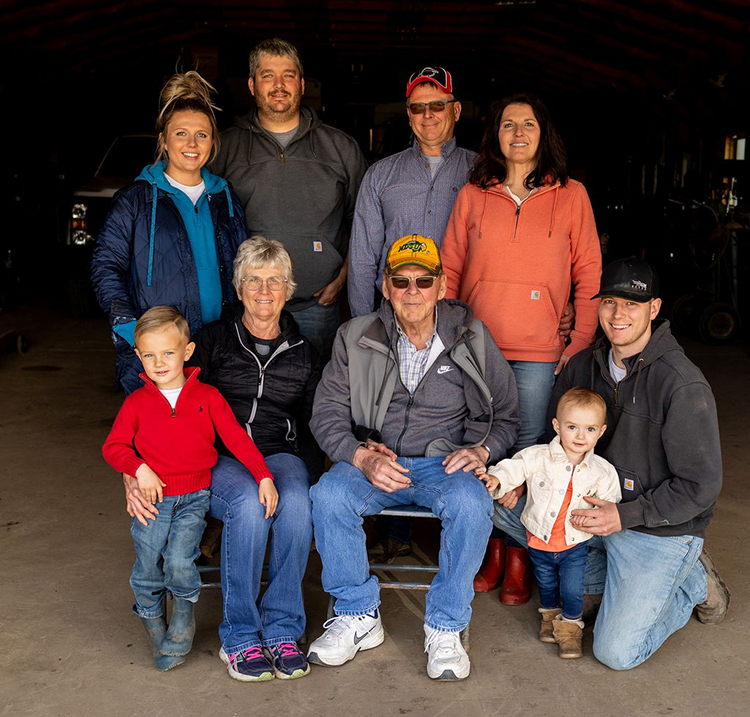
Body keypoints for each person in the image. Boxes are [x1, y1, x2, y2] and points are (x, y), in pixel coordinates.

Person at [493, 257, 731, 670]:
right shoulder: (583, 366)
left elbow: (701, 485)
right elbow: (557, 442)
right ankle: (613, 581)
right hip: (586, 512)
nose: (618, 315)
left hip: (654, 527)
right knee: (493, 498)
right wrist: (524, 481)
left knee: (615, 652)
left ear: (654, 309)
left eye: (632, 304)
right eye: (609, 302)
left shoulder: (681, 383)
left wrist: (625, 516)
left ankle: (691, 581)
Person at [307, 235, 520, 681]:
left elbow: (505, 415)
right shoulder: (356, 334)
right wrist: (360, 456)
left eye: (424, 281)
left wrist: (482, 450)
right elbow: (325, 413)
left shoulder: (473, 337)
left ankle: (445, 625)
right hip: (376, 459)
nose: (412, 291)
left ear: (442, 286)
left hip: (443, 465)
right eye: (400, 281)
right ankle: (358, 614)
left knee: (471, 503)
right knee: (328, 495)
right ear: (385, 286)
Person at [125, 238, 320, 682]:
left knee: (297, 502)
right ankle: (241, 636)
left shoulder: (306, 352)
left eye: (274, 281)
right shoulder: (212, 340)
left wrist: (316, 473)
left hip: (279, 451)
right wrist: (135, 471)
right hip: (216, 456)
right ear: (238, 287)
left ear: (289, 289)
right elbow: (159, 404)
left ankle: (284, 629)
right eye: (253, 280)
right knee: (250, 504)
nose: (264, 290)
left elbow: (312, 421)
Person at [441, 93, 602, 603]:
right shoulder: (472, 194)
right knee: (480, 450)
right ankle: (491, 550)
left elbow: (589, 273)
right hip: (476, 349)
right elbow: (449, 267)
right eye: (507, 124)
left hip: (538, 351)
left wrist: (577, 342)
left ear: (542, 133)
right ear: (494, 135)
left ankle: (518, 558)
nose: (517, 133)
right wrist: (445, 336)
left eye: (527, 124)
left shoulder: (571, 194)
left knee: (530, 455)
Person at [102, 307, 276, 672]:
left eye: (168, 352)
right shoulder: (135, 402)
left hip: (193, 499)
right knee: (148, 567)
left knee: (180, 560)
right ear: (138, 356)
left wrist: (262, 474)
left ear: (188, 350)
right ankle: (152, 617)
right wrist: (140, 468)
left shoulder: (208, 397)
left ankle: (182, 614)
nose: (159, 362)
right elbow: (114, 447)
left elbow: (236, 439)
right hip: (152, 501)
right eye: (148, 355)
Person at [92, 71, 248, 394]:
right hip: (157, 358)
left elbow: (243, 269)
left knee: (210, 439)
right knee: (158, 441)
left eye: (202, 135)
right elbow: (105, 266)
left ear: (213, 142)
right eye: (181, 133)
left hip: (217, 350)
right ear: (164, 140)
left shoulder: (226, 198)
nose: (192, 144)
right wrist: (131, 330)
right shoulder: (135, 200)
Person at [212, 38, 368, 361]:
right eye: (268, 75)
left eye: (288, 75)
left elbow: (364, 222)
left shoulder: (340, 148)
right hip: (249, 308)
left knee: (317, 402)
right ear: (253, 85)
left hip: (317, 307)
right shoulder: (224, 149)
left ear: (301, 83)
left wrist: (343, 278)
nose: (279, 85)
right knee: (253, 399)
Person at [479, 388, 621, 659]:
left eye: (590, 429)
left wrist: (598, 516)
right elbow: (514, 467)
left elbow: (610, 501)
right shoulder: (537, 456)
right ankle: (549, 618)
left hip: (574, 543)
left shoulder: (602, 471)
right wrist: (498, 479)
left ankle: (569, 629)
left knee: (571, 588)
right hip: (539, 540)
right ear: (557, 426)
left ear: (601, 432)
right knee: (545, 583)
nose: (581, 436)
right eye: (572, 427)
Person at [347, 66, 476, 317]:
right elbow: (362, 260)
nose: (427, 115)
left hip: (460, 316)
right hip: (394, 313)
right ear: (409, 115)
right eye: (418, 107)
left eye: (438, 105)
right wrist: (361, 326)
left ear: (456, 110)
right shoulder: (380, 175)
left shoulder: (481, 173)